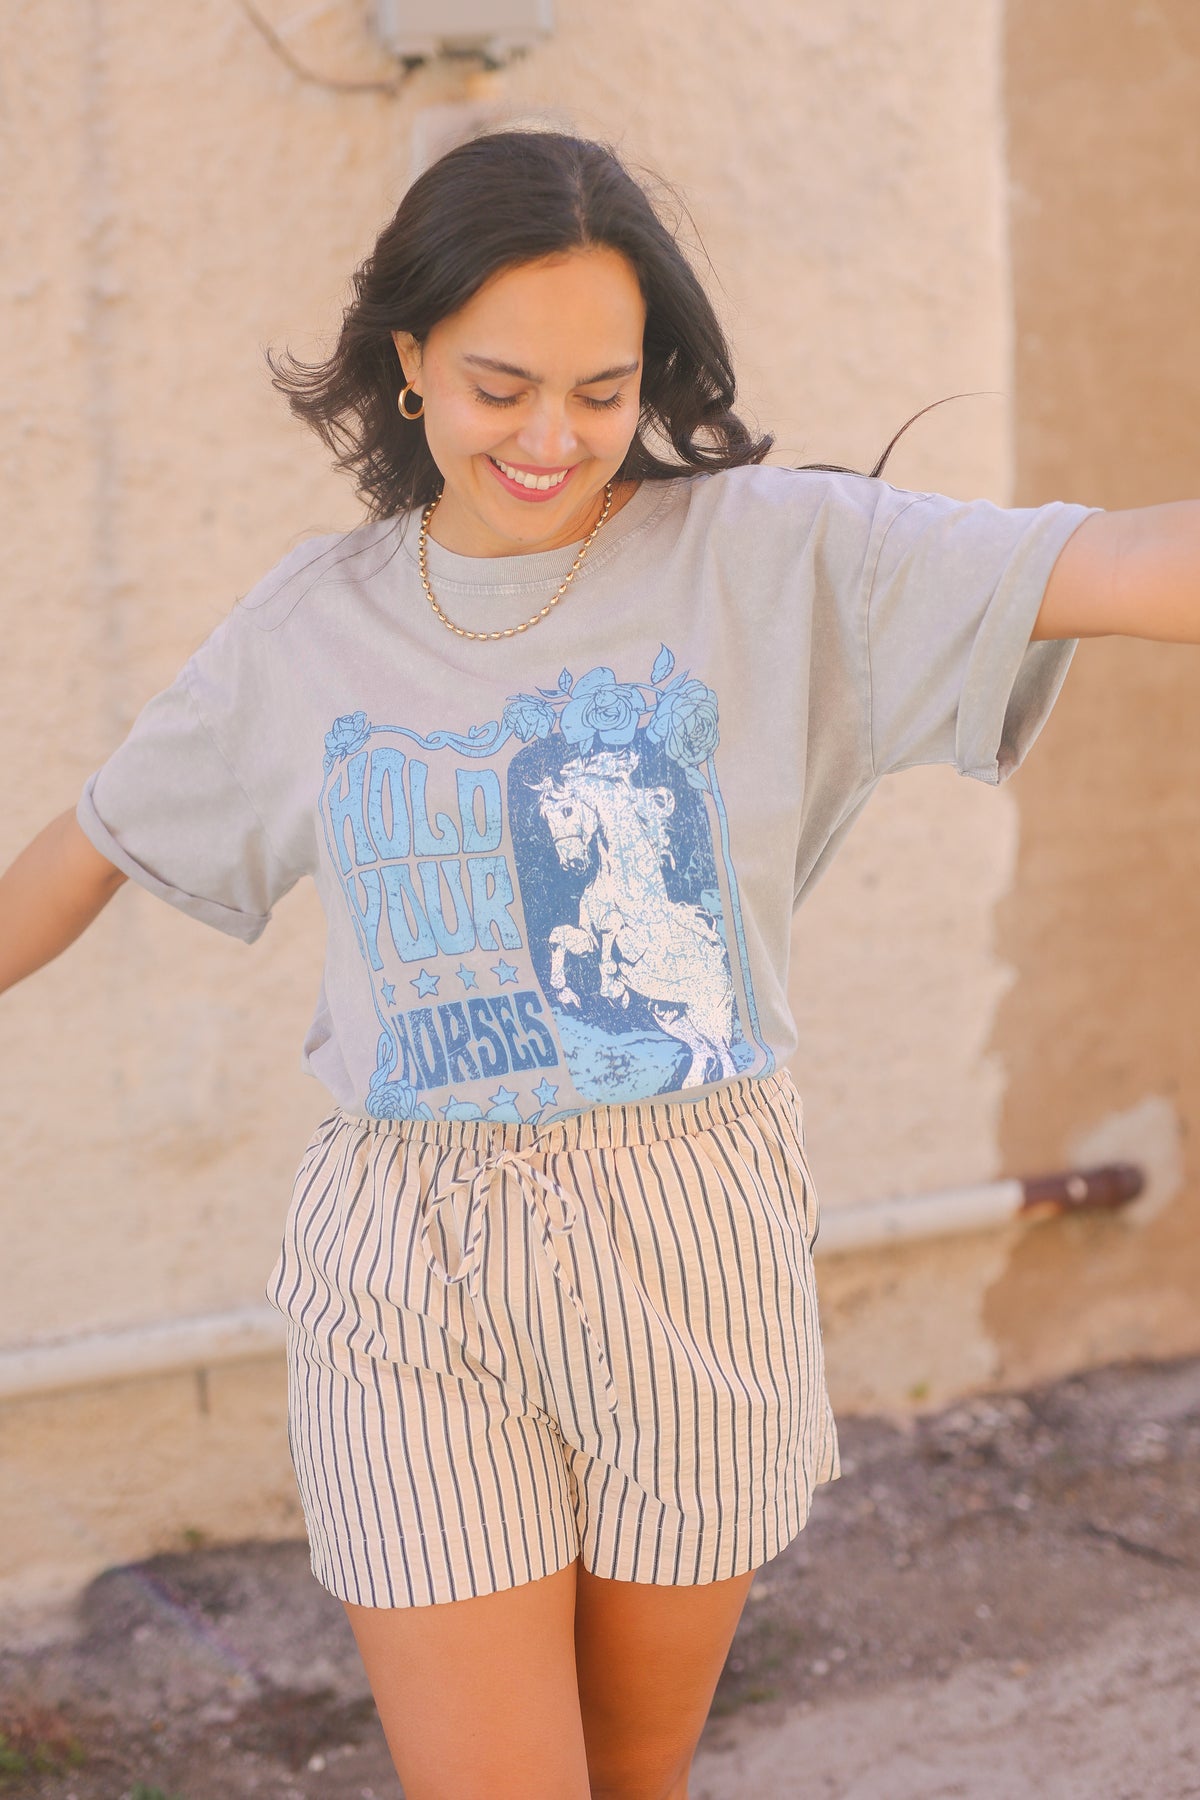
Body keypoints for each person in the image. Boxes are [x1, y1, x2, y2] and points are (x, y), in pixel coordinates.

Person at [1, 128, 1195, 1800]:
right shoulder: (308, 629)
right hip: (410, 1259)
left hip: (692, 1233)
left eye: (601, 387)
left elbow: (1127, 562)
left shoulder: (774, 556)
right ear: (407, 362)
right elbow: (78, 857)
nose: (551, 438)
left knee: (634, 1777)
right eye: (499, 386)